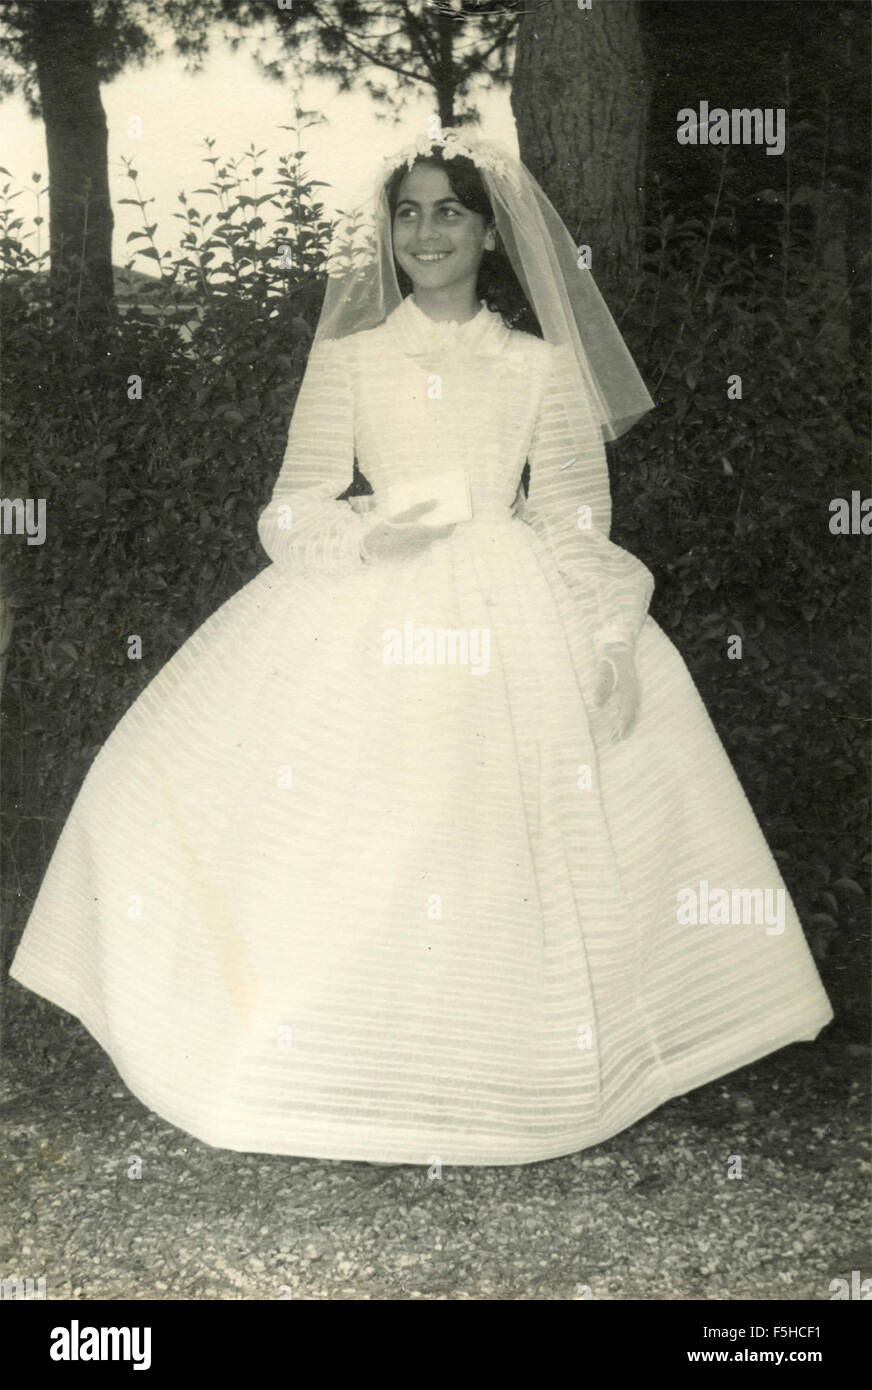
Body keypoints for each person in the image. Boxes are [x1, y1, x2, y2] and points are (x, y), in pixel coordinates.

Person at [10, 130, 832, 1166]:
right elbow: (289, 510)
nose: (426, 231)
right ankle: (319, 1063)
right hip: (366, 598)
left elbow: (577, 521)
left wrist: (611, 644)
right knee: (324, 827)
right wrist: (368, 535)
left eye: (448, 211)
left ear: (489, 232)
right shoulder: (348, 359)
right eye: (408, 213)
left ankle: (498, 1076)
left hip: (508, 611)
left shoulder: (540, 368)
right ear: (387, 233)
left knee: (487, 830)